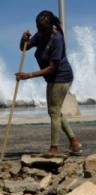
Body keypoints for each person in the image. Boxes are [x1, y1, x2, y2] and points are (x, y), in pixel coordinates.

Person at [15, 10, 82, 157]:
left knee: (54, 112)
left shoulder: (57, 39)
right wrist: (23, 39)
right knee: (55, 111)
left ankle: (54, 148)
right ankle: (74, 142)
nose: (40, 31)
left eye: (43, 28)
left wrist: (29, 75)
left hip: (62, 77)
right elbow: (24, 48)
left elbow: (53, 67)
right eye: (38, 28)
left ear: (50, 26)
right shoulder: (40, 34)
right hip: (51, 78)